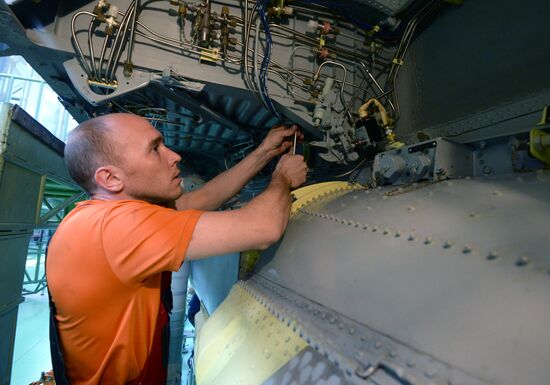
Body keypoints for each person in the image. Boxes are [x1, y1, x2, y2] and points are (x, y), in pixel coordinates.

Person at [45, 113, 307, 385]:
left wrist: (265, 151)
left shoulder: (99, 216)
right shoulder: (119, 229)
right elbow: (263, 227)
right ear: (110, 178)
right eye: (155, 149)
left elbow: (202, 199)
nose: (174, 156)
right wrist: (282, 178)